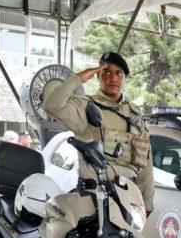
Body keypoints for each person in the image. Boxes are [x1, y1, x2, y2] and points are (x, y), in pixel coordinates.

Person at [44, 50, 155, 214]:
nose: (113, 78)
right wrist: (78, 79)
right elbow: (51, 106)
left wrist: (147, 203)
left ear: (124, 78)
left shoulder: (136, 115)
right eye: (106, 72)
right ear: (97, 75)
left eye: (119, 73)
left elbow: (146, 162)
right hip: (93, 197)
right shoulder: (85, 106)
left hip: (128, 200)